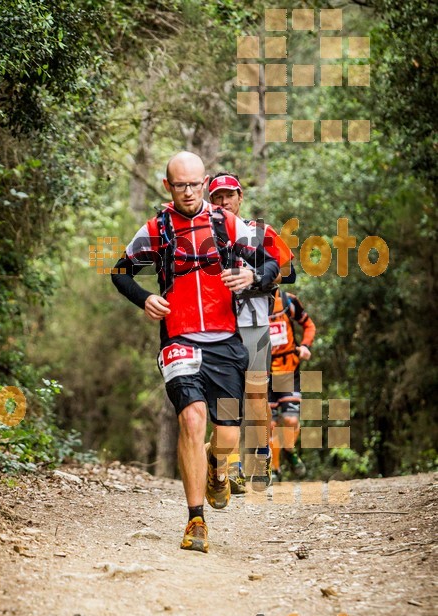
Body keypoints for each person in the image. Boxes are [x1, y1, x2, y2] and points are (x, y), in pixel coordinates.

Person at [111, 151, 283, 554]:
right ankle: (195, 521)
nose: (188, 192)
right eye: (179, 185)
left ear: (204, 183)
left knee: (226, 437)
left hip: (226, 339)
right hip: (179, 338)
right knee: (192, 418)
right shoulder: (157, 228)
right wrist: (144, 298)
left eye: (194, 184)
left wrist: (252, 275)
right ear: (168, 186)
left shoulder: (227, 223)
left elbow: (271, 264)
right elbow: (120, 271)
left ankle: (216, 463)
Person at [208, 173, 295, 494]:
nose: (223, 202)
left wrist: (256, 277)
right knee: (226, 396)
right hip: (218, 326)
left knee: (257, 393)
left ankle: (259, 463)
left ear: (240, 197)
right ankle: (229, 469)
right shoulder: (203, 234)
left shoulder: (259, 232)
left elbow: (290, 272)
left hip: (255, 323)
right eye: (216, 197)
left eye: (228, 196)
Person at [268, 287, 316, 481]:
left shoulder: (289, 302)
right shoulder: (249, 305)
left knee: (290, 421)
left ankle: (288, 449)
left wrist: (305, 346)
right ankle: (274, 470)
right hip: (262, 373)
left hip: (288, 370)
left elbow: (309, 326)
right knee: (268, 426)